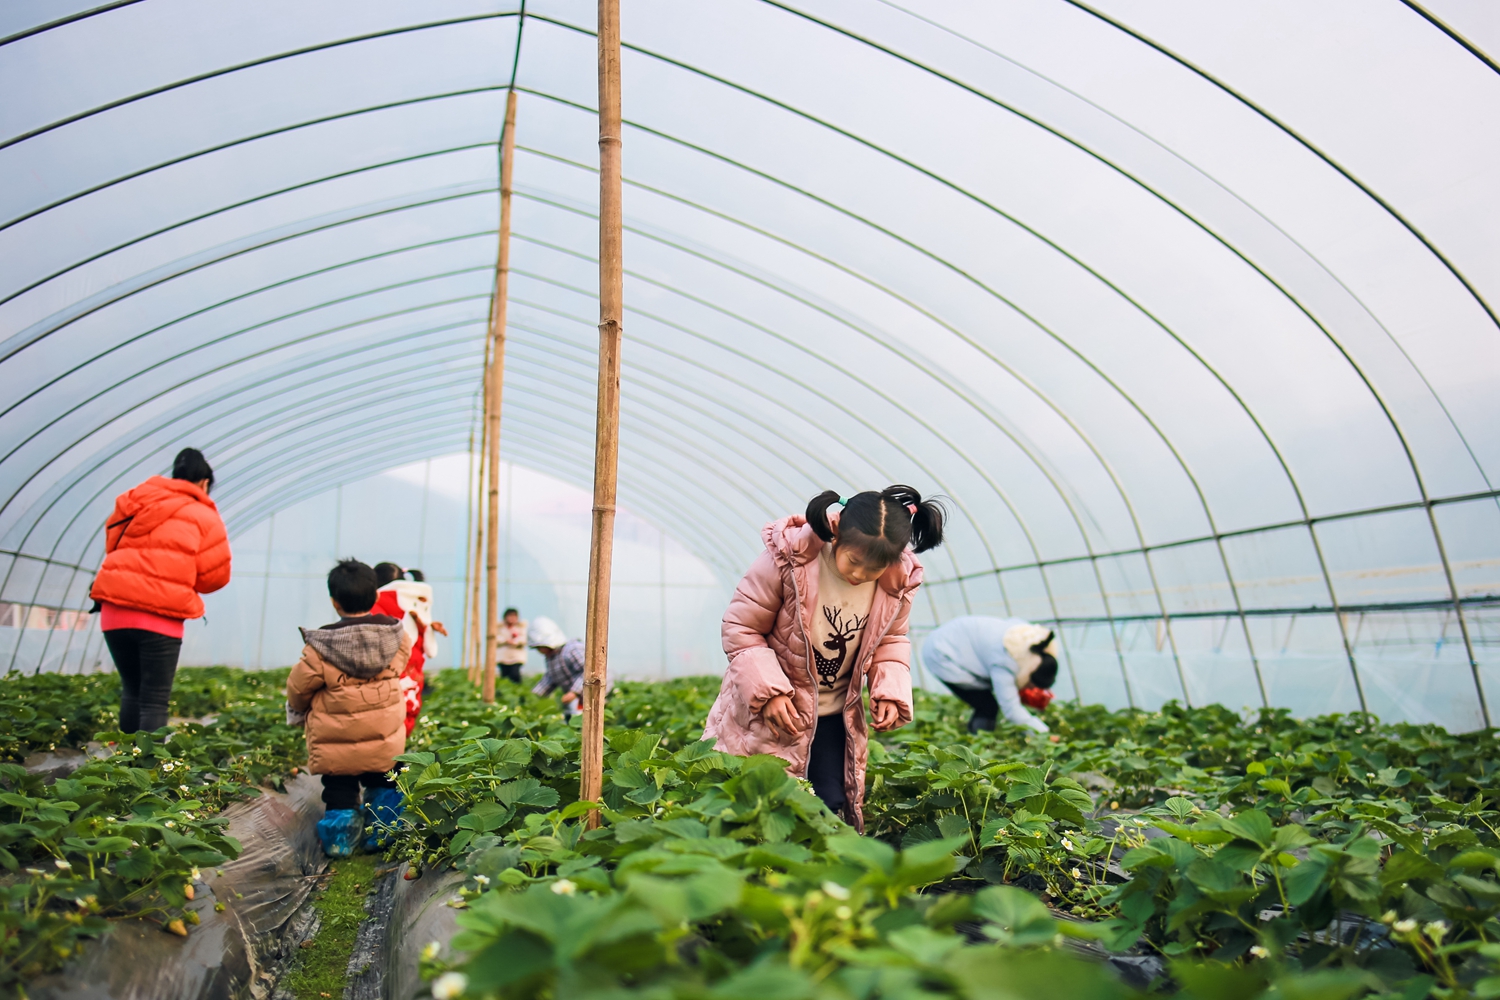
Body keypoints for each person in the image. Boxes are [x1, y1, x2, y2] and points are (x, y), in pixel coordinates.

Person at [702, 486, 945, 829]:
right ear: (836, 534)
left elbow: (891, 639)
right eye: (854, 561)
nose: (860, 575)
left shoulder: (897, 583)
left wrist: (890, 690)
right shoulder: (789, 560)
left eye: (874, 568)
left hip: (834, 713)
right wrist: (769, 693)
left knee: (829, 803)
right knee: (760, 800)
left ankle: (818, 860)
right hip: (774, 708)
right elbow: (742, 628)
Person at [90, 448, 231, 734]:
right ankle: (148, 763)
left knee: (132, 691)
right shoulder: (203, 514)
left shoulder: (134, 499)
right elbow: (214, 577)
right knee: (154, 700)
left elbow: (113, 545)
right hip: (160, 616)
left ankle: (126, 760)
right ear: (204, 483)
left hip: (114, 611)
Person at [286, 559, 411, 856]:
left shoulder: (321, 646)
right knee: (385, 779)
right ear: (376, 596)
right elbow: (401, 664)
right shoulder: (396, 636)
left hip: (336, 739)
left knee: (339, 787)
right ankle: (382, 830)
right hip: (383, 734)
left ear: (334, 601)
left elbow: (298, 688)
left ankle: (340, 840)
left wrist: (300, 709)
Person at [920, 616, 1060, 735]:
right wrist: (1044, 734)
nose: (1029, 688)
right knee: (987, 705)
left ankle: (976, 740)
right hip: (942, 654)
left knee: (988, 701)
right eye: (1030, 685)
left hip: (953, 637)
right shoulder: (1006, 661)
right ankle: (977, 746)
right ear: (1029, 676)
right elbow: (1011, 710)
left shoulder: (1030, 640)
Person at [370, 564, 447, 734]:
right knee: (408, 708)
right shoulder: (417, 603)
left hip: (390, 670)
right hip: (413, 669)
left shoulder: (377, 604)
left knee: (387, 716)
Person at [527, 617, 584, 716]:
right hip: (576, 697)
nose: (539, 651)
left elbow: (588, 671)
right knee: (572, 715)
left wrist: (574, 692)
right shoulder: (551, 657)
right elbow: (550, 678)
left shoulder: (572, 649)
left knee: (584, 716)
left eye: (539, 647)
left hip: (590, 693)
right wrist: (535, 695)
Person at [497, 608, 528, 683]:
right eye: (510, 616)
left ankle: (517, 688)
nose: (512, 618)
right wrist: (505, 641)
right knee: (504, 676)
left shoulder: (521, 627)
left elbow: (524, 639)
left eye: (514, 616)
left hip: (516, 657)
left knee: (515, 675)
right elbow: (495, 638)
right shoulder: (499, 627)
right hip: (503, 657)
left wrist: (515, 642)